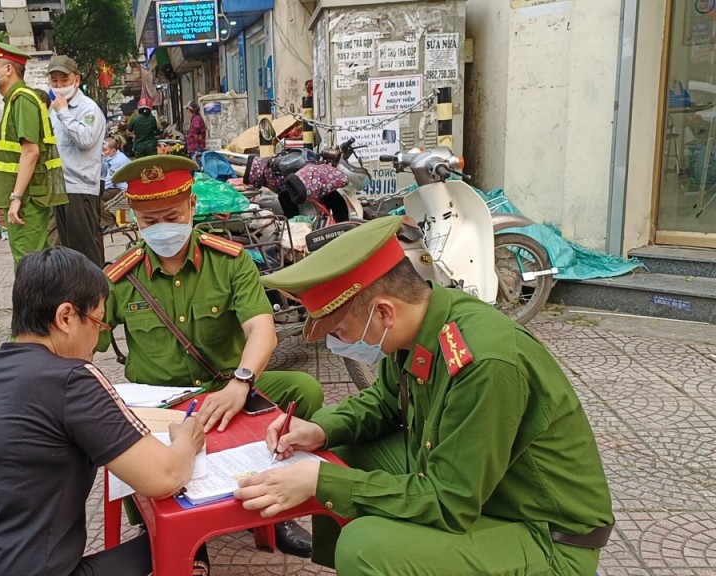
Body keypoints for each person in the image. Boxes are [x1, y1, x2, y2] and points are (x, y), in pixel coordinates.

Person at [234, 216, 615, 574]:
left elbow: (450, 501)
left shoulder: (483, 362)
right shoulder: (417, 324)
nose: (336, 344)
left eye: (339, 331)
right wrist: (320, 430)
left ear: (384, 312)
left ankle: (379, 563)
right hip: (485, 489)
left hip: (545, 534)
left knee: (363, 545)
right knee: (341, 454)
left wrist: (321, 482)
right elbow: (383, 403)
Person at [0, 247, 205, 576]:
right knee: (187, 540)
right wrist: (186, 439)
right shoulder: (71, 377)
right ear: (65, 317)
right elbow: (165, 477)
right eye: (98, 323)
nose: (97, 338)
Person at [97, 155, 323, 560]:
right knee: (116, 430)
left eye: (170, 215)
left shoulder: (230, 261)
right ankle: (160, 530)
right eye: (149, 222)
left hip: (223, 387)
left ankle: (274, 506)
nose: (161, 228)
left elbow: (261, 328)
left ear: (191, 206)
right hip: (160, 404)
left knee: (301, 390)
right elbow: (83, 338)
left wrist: (241, 382)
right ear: (133, 220)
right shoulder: (119, 278)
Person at [0, 35, 67, 268]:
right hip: (28, 197)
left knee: (28, 264)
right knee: (38, 263)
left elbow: (31, 152)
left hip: (27, 199)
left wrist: (16, 198)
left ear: (8, 69)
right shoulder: (16, 100)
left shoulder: (22, 101)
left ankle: (35, 305)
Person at [48, 54, 107, 268]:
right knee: (67, 250)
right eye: (54, 81)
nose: (59, 85)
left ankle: (98, 297)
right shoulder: (53, 110)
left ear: (76, 80)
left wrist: (64, 112)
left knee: (85, 250)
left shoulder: (88, 109)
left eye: (64, 80)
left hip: (81, 188)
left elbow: (85, 139)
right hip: (60, 187)